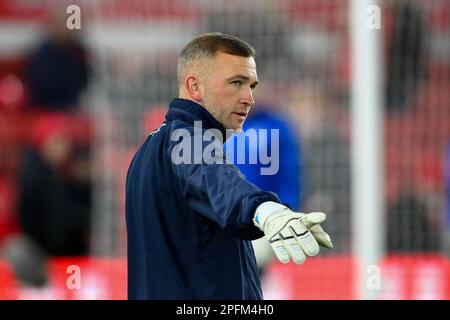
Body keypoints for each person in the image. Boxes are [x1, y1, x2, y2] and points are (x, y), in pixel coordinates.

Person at [125, 33, 333, 300]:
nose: (249, 98)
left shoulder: (148, 150)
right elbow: (219, 182)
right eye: (236, 83)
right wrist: (264, 210)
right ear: (194, 87)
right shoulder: (188, 139)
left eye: (252, 86)